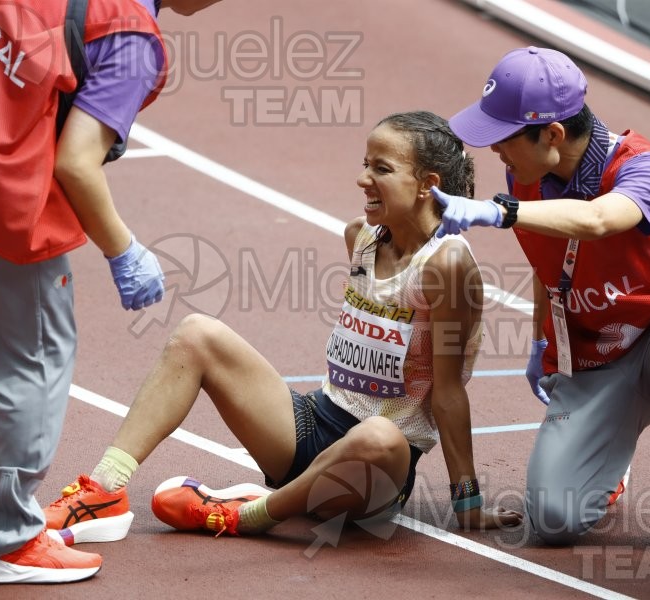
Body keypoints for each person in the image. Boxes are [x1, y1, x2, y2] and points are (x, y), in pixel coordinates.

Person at [43, 111, 523, 546]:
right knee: (196, 333)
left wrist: (467, 502)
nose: (363, 179)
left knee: (380, 434)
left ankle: (252, 514)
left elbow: (447, 393)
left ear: (426, 185)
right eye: (365, 164)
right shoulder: (359, 237)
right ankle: (104, 488)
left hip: (376, 472)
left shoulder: (447, 266)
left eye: (381, 168)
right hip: (312, 425)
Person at [0, 0, 222, 584]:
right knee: (33, 365)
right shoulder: (130, 38)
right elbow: (77, 163)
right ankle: (4, 540)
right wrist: (124, 250)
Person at [431, 46, 650, 547]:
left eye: (505, 137)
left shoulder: (644, 169)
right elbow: (548, 263)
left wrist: (499, 212)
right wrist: (542, 342)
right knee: (553, 521)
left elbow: (598, 219)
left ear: (552, 135)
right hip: (598, 363)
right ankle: (608, 461)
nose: (495, 150)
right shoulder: (526, 176)